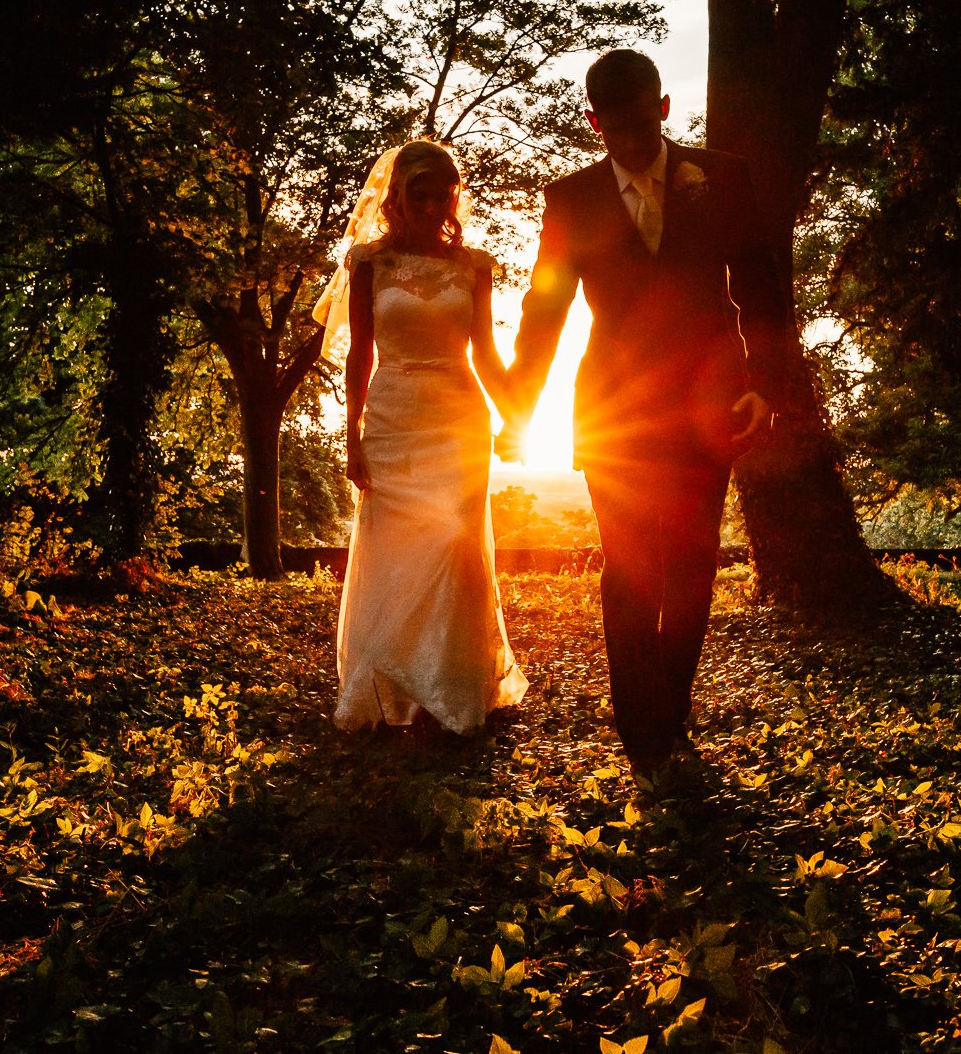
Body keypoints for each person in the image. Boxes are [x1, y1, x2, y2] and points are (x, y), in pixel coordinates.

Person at [502, 48, 790, 772]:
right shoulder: (569, 199)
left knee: (692, 564)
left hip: (710, 400)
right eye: (616, 130)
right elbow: (544, 311)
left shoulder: (722, 177)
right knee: (629, 569)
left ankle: (668, 711)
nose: (633, 142)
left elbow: (762, 288)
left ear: (663, 107)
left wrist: (767, 383)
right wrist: (518, 407)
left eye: (644, 124)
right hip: (614, 409)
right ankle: (644, 735)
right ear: (594, 122)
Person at [315, 141, 529, 734]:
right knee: (395, 549)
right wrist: (351, 433)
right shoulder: (368, 263)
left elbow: (486, 352)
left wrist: (518, 414)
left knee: (455, 546)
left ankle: (450, 689)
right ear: (398, 196)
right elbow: (360, 352)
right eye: (421, 193)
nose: (434, 204)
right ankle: (389, 683)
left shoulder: (475, 266)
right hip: (390, 415)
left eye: (444, 193)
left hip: (459, 418)